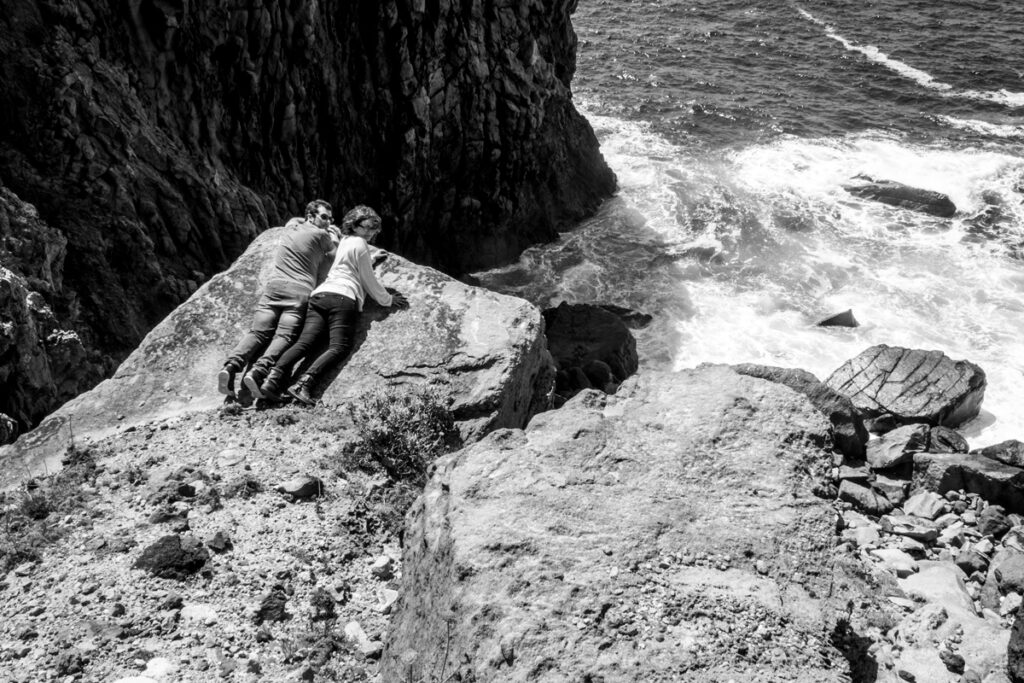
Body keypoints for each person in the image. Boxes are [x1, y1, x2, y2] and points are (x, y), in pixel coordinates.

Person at [252, 205, 408, 405]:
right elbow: (368, 281)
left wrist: (370, 259)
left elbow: (347, 263)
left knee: (305, 343)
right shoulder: (360, 243)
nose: (370, 232)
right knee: (339, 346)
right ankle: (303, 385)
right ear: (354, 225)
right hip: (342, 298)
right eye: (367, 227)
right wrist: (388, 299)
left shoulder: (346, 241)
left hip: (320, 295)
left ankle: (271, 381)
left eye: (374, 229)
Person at [218, 199, 339, 399]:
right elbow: (334, 254)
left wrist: (310, 220)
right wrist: (334, 236)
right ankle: (258, 372)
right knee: (284, 336)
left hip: (274, 287)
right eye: (324, 217)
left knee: (257, 332)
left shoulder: (290, 228)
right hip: (299, 291)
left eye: (330, 219)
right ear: (311, 216)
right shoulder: (321, 235)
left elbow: (293, 219)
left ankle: (231, 367)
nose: (328, 222)